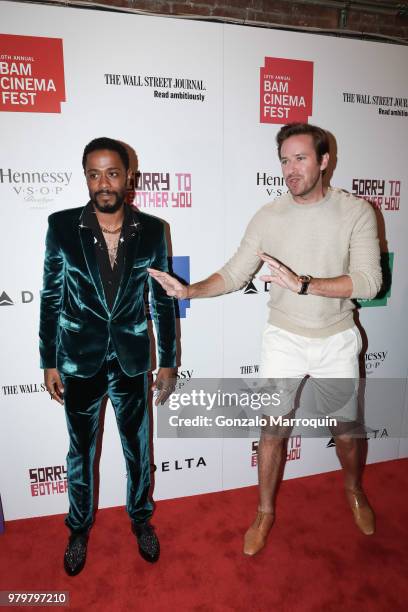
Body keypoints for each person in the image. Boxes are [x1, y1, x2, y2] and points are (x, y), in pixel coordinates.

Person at [148, 122, 382, 556]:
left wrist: (305, 284)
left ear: (324, 161)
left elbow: (369, 282)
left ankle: (354, 489)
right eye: (284, 161)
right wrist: (190, 290)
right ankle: (265, 511)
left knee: (347, 431)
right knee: (272, 430)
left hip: (337, 338)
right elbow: (237, 273)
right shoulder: (268, 216)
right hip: (284, 338)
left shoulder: (357, 212)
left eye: (301, 158)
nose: (291, 169)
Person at [39, 137, 177, 575]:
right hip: (80, 361)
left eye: (112, 173)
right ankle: (78, 527)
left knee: (137, 449)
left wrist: (169, 360)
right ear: (86, 177)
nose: (103, 183)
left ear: (128, 177)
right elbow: (50, 298)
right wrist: (49, 360)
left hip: (133, 361)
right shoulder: (61, 226)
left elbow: (163, 301)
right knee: (81, 452)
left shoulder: (154, 230)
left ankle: (140, 519)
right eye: (94, 174)